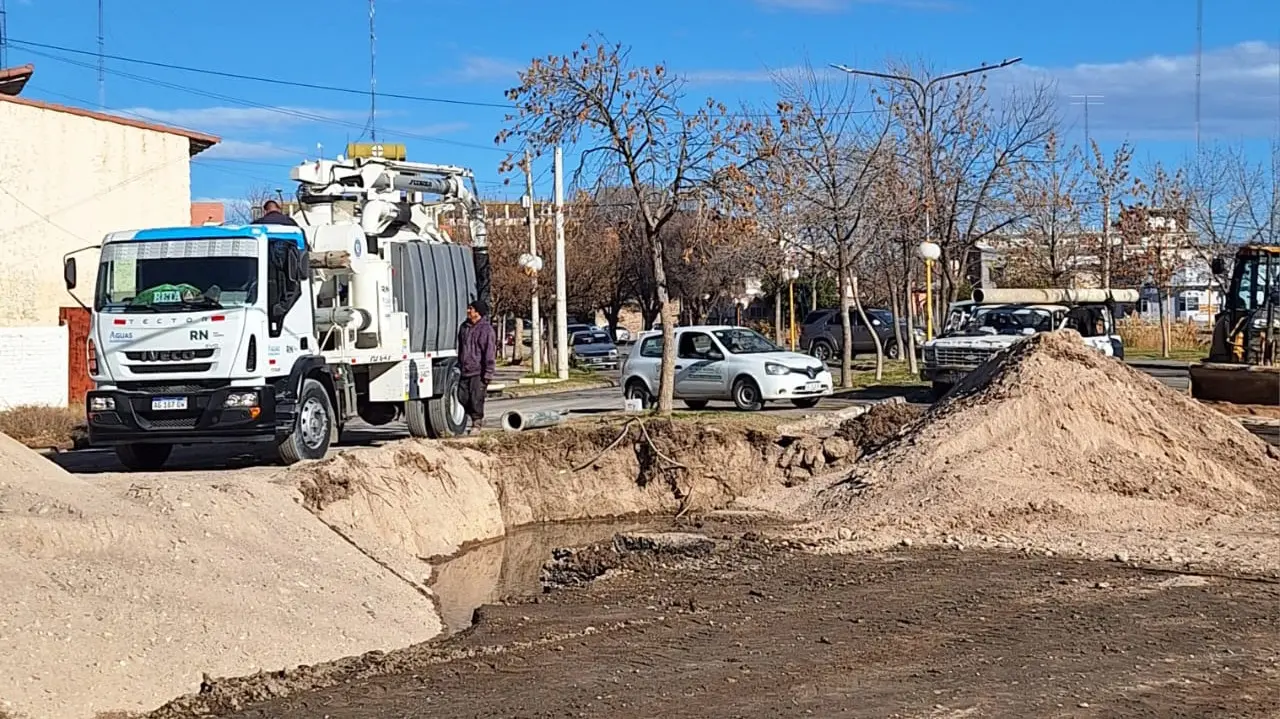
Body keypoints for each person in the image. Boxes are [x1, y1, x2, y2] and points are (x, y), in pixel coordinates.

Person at [457, 299, 496, 434]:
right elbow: (461, 348)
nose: (468, 311)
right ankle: (471, 416)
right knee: (462, 396)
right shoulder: (464, 327)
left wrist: (488, 373)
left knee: (476, 398)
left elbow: (489, 352)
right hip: (465, 369)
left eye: (471, 309)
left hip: (478, 371)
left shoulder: (486, 330)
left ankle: (476, 423)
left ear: (478, 312)